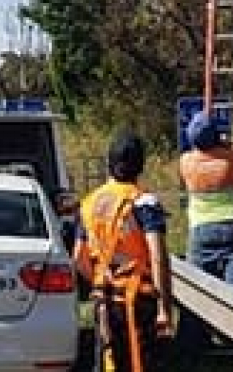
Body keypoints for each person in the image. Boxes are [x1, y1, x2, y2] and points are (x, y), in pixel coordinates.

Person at [74, 131, 174, 372]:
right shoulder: (143, 202)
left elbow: (79, 256)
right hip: (139, 299)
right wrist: (164, 308)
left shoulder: (89, 203)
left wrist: (99, 280)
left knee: (109, 361)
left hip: (105, 300)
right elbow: (157, 256)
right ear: (140, 166)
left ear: (109, 163)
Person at [177, 111, 233, 347]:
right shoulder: (232, 159)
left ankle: (193, 341)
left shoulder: (186, 163)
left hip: (201, 230)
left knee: (199, 289)